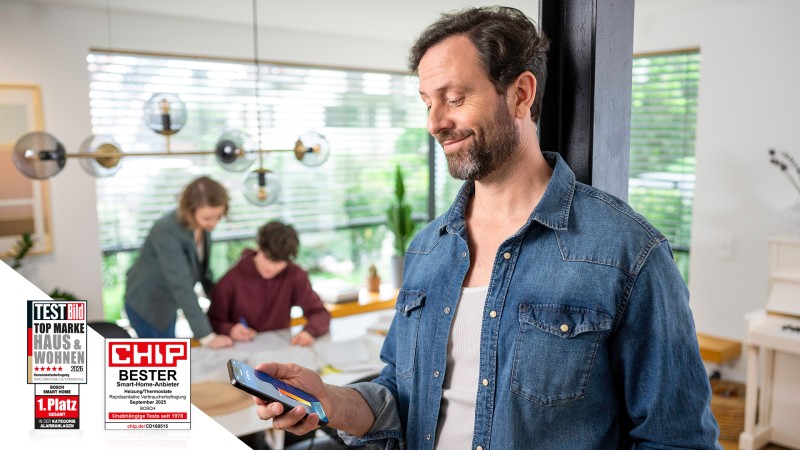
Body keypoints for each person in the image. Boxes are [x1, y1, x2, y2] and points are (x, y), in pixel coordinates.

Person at [251, 6, 721, 448]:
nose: (436, 122)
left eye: (454, 98)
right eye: (427, 103)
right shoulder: (427, 249)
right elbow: (401, 398)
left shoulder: (627, 251)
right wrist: (330, 401)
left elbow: (676, 437)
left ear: (520, 94)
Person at [123, 176, 233, 348]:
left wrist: (223, 307)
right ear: (190, 210)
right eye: (207, 218)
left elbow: (204, 272)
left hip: (168, 303)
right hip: (149, 304)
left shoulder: (201, 227)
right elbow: (181, 285)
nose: (213, 224)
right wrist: (207, 336)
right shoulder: (166, 230)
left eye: (218, 217)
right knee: (164, 362)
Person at [208, 221, 331, 346]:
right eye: (267, 258)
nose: (271, 267)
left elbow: (320, 313)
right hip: (240, 352)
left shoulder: (294, 275)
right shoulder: (231, 279)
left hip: (280, 349)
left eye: (279, 262)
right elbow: (212, 321)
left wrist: (309, 332)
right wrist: (230, 329)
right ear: (258, 247)